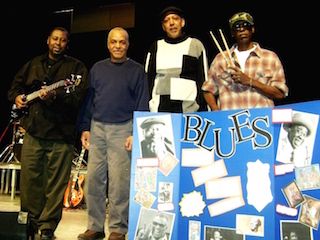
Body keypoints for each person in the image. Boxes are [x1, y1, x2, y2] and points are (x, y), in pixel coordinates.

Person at [7, 26, 88, 240]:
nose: (58, 43)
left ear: (66, 43)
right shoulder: (33, 64)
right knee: (30, 181)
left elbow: (78, 99)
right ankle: (31, 224)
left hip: (62, 134)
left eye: (62, 40)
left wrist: (54, 98)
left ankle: (47, 229)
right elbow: (14, 88)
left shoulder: (76, 67)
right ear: (48, 40)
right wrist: (16, 97)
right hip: (34, 131)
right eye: (55, 39)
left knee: (55, 185)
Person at [77, 27, 149, 240]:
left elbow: (142, 102)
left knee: (119, 182)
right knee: (93, 180)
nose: (118, 46)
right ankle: (95, 227)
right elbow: (89, 101)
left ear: (128, 45)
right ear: (108, 44)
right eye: (114, 42)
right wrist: (85, 127)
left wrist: (136, 131)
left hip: (123, 127)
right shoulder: (97, 68)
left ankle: (118, 229)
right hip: (97, 127)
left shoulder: (136, 70)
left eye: (122, 42)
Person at [202, 11, 288, 110]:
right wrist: (215, 111)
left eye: (246, 26)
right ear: (232, 33)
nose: (242, 30)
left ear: (252, 29)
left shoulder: (270, 57)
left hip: (261, 119)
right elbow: (207, 89)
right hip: (230, 120)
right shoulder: (220, 58)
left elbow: (280, 94)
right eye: (237, 28)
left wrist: (250, 81)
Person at [145, 5, 209, 113]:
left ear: (182, 22)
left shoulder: (195, 45)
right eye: (166, 21)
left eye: (175, 19)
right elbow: (147, 80)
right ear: (163, 27)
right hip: (159, 113)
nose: (171, 23)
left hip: (189, 113)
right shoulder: (155, 47)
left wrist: (203, 112)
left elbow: (204, 81)